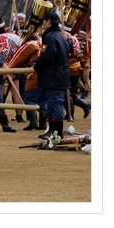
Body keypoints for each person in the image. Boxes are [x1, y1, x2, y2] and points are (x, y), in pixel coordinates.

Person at [34, 11, 71, 139]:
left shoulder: (49, 36)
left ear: (48, 21)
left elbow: (47, 56)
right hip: (61, 74)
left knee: (55, 104)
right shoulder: (61, 35)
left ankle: (56, 132)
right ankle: (53, 131)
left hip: (53, 75)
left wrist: (37, 67)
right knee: (54, 103)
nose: (42, 23)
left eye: (44, 20)